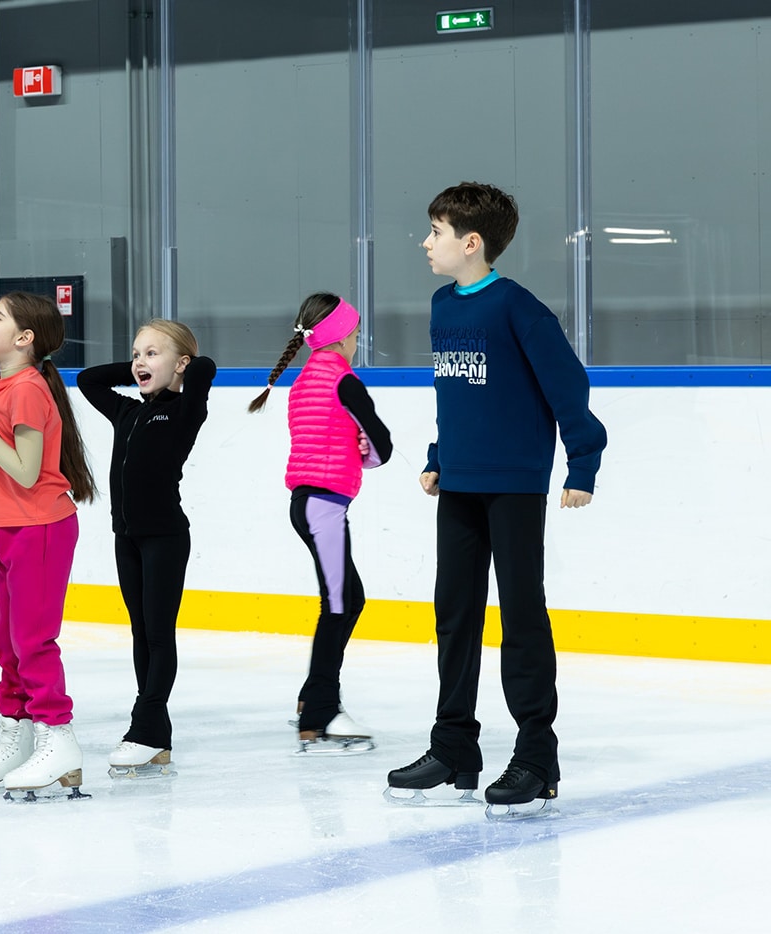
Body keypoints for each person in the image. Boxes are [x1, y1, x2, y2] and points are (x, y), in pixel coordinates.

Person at [386, 182, 607, 817]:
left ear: (471, 242)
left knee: (521, 613)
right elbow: (454, 395)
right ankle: (454, 746)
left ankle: (537, 755)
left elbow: (567, 385)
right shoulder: (442, 305)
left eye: (436, 232)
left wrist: (582, 462)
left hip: (513, 482)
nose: (426, 243)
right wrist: (438, 456)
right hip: (459, 482)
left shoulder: (518, 308)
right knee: (454, 613)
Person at [0, 292, 96, 799]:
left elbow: (27, 472)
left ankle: (58, 737)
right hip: (11, 526)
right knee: (7, 642)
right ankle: (19, 730)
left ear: (25, 338)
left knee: (33, 640)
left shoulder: (28, 388)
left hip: (41, 526)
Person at [247, 293, 392, 755]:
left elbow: (326, 437)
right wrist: (367, 453)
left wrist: (356, 447)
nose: (357, 342)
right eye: (356, 334)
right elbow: (382, 445)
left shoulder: (304, 380)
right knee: (339, 604)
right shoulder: (345, 381)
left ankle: (313, 695)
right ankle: (321, 714)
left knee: (349, 599)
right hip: (324, 507)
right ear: (344, 337)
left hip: (308, 504)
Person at [76, 320, 215, 778]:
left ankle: (145, 725)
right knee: (140, 633)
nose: (139, 362)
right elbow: (88, 379)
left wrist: (179, 367)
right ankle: (156, 733)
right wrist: (144, 367)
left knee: (158, 633)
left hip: (165, 538)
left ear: (181, 363)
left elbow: (206, 368)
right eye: (136, 353)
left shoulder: (185, 412)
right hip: (127, 538)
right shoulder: (128, 412)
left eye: (152, 353)